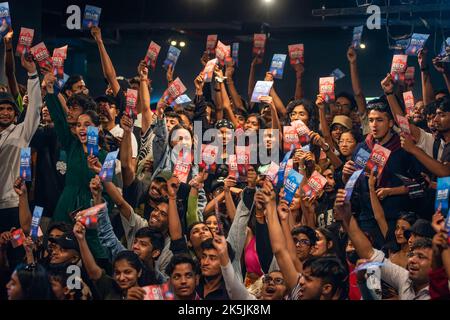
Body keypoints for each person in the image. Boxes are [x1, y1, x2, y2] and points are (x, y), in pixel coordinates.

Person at [335, 188, 433, 300]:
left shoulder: (443, 291)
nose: (412, 260)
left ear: (435, 264)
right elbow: (369, 254)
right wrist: (347, 216)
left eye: (421, 256)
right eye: (411, 255)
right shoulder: (405, 279)